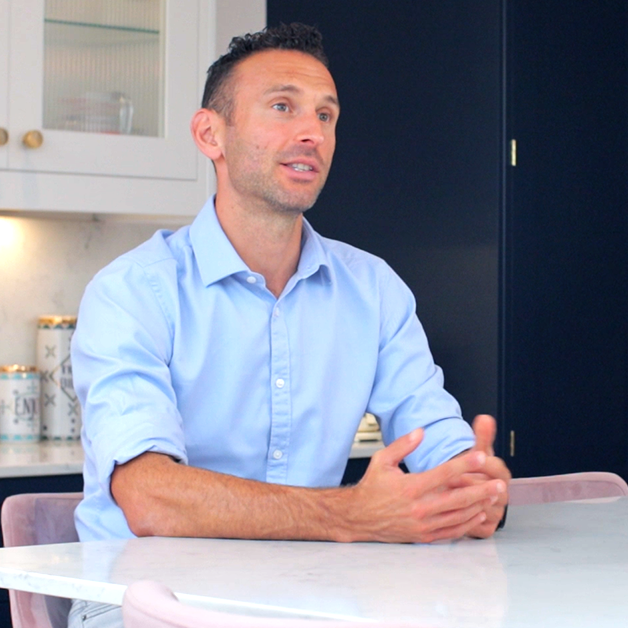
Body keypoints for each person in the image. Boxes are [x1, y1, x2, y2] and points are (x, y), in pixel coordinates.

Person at [68, 22, 510, 628]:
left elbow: (436, 436)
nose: (312, 133)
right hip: (142, 599)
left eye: (326, 116)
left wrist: (472, 488)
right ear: (210, 134)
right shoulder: (131, 292)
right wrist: (350, 515)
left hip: (308, 594)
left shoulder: (372, 288)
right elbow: (150, 497)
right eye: (283, 107)